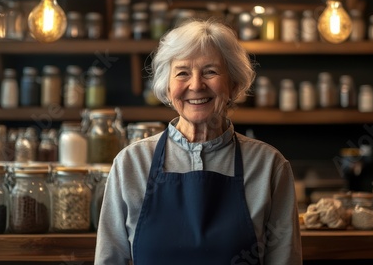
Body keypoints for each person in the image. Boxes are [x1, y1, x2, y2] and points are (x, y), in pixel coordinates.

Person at [95, 19, 302, 265]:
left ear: (233, 84)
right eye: (182, 73)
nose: (196, 85)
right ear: (168, 87)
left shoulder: (269, 167)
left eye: (210, 72)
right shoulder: (131, 164)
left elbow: (284, 259)